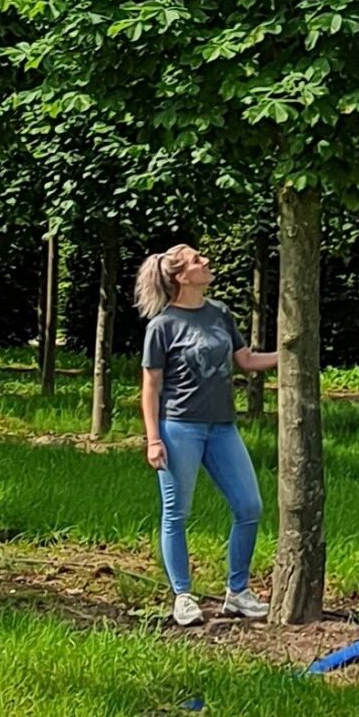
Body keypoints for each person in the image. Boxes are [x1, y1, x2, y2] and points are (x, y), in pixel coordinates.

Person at [138, 243, 278, 627]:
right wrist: (153, 439)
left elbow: (246, 361)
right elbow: (150, 387)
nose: (207, 262)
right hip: (179, 428)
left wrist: (292, 354)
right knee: (176, 513)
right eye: (198, 260)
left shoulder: (219, 313)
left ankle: (238, 592)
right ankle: (183, 596)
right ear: (181, 277)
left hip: (222, 428)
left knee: (249, 507)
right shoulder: (162, 326)